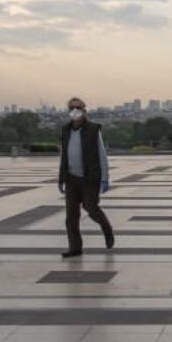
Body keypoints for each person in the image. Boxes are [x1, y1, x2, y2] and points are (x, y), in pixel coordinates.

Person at [58, 96, 114, 257]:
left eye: (78, 108)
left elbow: (102, 155)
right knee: (71, 216)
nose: (75, 111)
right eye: (71, 108)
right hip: (71, 178)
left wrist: (104, 177)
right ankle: (75, 248)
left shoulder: (93, 129)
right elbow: (64, 155)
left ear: (84, 111)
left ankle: (107, 229)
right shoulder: (65, 130)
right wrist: (61, 178)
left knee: (91, 208)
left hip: (89, 178)